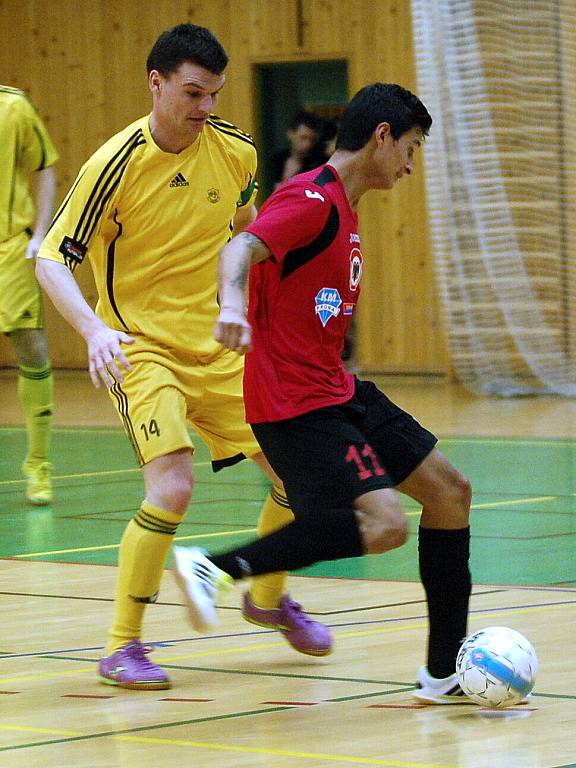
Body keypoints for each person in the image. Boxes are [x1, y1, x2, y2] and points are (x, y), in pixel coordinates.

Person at [36, 23, 331, 692]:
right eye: (193, 93)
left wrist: (250, 310)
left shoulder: (237, 153)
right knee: (172, 486)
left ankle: (264, 596)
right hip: (141, 350)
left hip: (220, 349)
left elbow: (244, 237)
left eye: (214, 96)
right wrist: (92, 330)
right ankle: (122, 646)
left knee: (299, 478)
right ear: (156, 83)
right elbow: (52, 257)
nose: (205, 108)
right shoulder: (114, 164)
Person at [173, 83, 478, 705]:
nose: (412, 165)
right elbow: (240, 246)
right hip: (294, 402)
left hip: (336, 389)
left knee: (450, 493)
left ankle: (443, 674)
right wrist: (231, 302)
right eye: (412, 148)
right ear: (383, 135)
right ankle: (218, 569)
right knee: (385, 522)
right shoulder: (310, 198)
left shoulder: (345, 206)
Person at [0, 85, 58, 506]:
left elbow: (44, 169)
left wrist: (40, 234)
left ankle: (38, 465)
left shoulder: (13, 106)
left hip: (8, 246)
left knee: (31, 348)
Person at [270, 110, 325, 189]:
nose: (307, 144)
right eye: (303, 138)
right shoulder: (277, 160)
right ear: (290, 134)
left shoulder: (318, 165)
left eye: (312, 140)